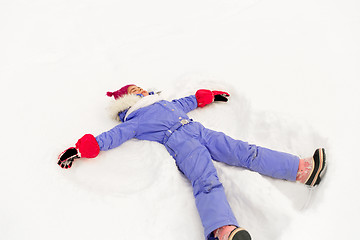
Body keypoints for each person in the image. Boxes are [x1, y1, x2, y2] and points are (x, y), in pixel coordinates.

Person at [58, 84, 327, 240]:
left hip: (200, 131)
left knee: (246, 151)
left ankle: (301, 170)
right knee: (206, 181)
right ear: (129, 102)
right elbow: (110, 137)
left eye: (140, 87)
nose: (140, 89)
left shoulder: (166, 103)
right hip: (181, 144)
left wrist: (207, 97)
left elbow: (188, 101)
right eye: (134, 90)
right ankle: (223, 229)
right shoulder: (135, 121)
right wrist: (81, 149)